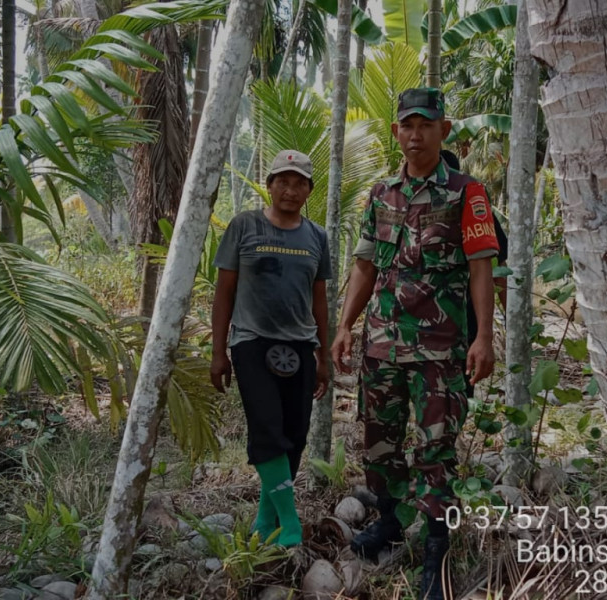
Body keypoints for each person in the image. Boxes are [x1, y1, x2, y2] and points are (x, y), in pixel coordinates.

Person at [331, 88, 499, 600]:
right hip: (382, 345)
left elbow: (481, 267)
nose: (416, 135)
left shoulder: (467, 193)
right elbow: (365, 265)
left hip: (440, 350)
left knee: (436, 451)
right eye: (408, 125)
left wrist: (484, 336)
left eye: (426, 125)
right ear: (396, 131)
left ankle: (436, 548)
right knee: (379, 444)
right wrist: (345, 326)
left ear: (443, 130)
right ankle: (390, 521)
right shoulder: (381, 194)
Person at [209, 149, 331, 548]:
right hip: (252, 342)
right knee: (266, 427)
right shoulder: (244, 226)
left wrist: (324, 355)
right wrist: (218, 352)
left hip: (300, 344)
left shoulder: (316, 237)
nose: (290, 191)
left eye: (299, 184)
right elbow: (224, 292)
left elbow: (319, 300)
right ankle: (291, 524)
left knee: (294, 434)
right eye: (283, 182)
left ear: (309, 190)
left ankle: (265, 521)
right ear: (270, 185)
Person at [439, 149, 509, 399]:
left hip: (461, 321)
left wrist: (506, 319)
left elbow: (496, 265)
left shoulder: (471, 202)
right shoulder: (401, 201)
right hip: (410, 331)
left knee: (455, 395)